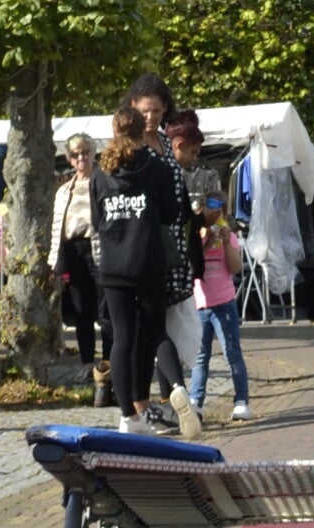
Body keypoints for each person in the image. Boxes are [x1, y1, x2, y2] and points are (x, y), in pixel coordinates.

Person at [90, 101, 180, 432]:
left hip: (114, 267)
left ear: (114, 131)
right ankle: (179, 389)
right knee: (157, 331)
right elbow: (171, 213)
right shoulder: (156, 167)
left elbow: (97, 221)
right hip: (149, 262)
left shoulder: (101, 171)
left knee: (122, 338)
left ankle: (128, 416)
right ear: (142, 131)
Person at [129, 73, 202, 436]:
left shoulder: (162, 141)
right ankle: (167, 398)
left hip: (170, 251)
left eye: (157, 111)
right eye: (146, 110)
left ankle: (163, 403)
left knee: (160, 326)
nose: (151, 117)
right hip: (142, 249)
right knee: (148, 328)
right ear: (132, 107)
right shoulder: (129, 147)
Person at [189, 194, 251, 421]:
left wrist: (225, 242)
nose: (215, 219)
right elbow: (193, 266)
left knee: (232, 353)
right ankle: (196, 402)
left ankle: (241, 400)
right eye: (210, 213)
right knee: (200, 356)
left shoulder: (230, 237)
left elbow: (234, 268)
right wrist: (206, 243)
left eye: (219, 214)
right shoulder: (196, 236)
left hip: (224, 304)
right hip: (200, 304)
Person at [50, 134, 105, 390]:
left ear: (93, 153)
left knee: (105, 311)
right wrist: (55, 261)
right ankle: (86, 364)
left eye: (85, 152)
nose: (81, 157)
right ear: (69, 159)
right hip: (74, 251)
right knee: (82, 311)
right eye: (75, 154)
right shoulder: (64, 191)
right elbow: (57, 229)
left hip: (99, 251)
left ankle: (108, 365)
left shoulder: (104, 182)